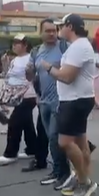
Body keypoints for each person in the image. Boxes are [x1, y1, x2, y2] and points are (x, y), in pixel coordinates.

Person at [42, 13, 99, 196]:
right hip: (78, 99)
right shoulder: (80, 46)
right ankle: (84, 177)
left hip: (74, 101)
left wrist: (49, 68)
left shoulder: (78, 47)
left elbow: (67, 77)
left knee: (65, 142)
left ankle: (84, 181)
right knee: (81, 141)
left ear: (70, 26)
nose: (59, 30)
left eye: (61, 26)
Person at [32, 19, 72, 182]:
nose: (51, 34)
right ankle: (60, 170)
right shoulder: (36, 51)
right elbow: (32, 75)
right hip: (43, 101)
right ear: (40, 32)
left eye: (54, 30)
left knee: (56, 138)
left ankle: (62, 173)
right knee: (51, 138)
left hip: (60, 100)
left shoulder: (64, 47)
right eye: (47, 31)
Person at [0, 34, 39, 166]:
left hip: (28, 95)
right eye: (13, 43)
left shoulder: (30, 58)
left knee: (14, 123)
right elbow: (8, 75)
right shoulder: (15, 60)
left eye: (17, 43)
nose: (14, 46)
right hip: (16, 94)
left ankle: (10, 153)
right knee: (27, 124)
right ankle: (32, 148)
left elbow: (32, 76)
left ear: (25, 45)